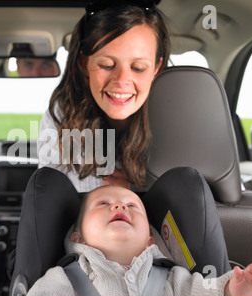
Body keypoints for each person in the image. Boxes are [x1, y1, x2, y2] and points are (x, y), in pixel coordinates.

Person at [25, 185, 252, 296]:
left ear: (150, 241)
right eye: (103, 204)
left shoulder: (172, 278)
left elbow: (203, 293)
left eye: (132, 206)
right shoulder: (65, 278)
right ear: (78, 238)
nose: (119, 206)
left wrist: (230, 291)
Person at [37, 0, 170, 192]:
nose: (122, 80)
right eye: (107, 65)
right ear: (84, 63)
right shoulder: (62, 114)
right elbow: (61, 199)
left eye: (138, 68)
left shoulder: (174, 118)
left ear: (157, 68)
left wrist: (136, 188)